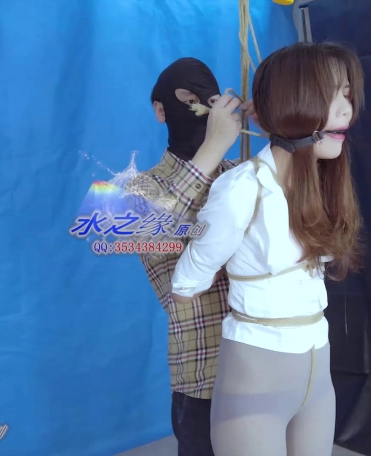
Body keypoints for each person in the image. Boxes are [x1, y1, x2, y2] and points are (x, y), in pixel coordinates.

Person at [170, 42, 365, 456]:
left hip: (317, 373)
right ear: (291, 102)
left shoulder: (323, 186)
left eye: (347, 94)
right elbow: (187, 283)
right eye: (330, 95)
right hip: (255, 377)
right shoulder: (241, 189)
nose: (346, 110)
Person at [124, 57, 254, 456]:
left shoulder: (243, 173)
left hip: (263, 367)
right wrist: (213, 147)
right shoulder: (140, 189)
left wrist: (282, 125)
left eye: (210, 100)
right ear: (160, 110)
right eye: (186, 99)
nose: (199, 108)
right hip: (203, 378)